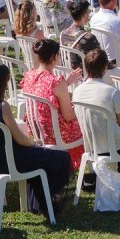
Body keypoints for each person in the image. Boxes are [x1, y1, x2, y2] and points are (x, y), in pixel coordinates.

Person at [0, 62, 71, 217]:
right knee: (63, 158)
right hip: (11, 161)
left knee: (41, 165)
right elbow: (21, 139)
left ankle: (41, 205)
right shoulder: (1, 106)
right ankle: (50, 196)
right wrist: (34, 143)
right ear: (0, 83)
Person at [70, 47, 120, 177]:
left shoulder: (77, 91)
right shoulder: (112, 91)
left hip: (91, 146)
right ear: (105, 68)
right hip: (115, 147)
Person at [19, 37, 83, 165]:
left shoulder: (29, 76)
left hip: (37, 130)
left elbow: (46, 90)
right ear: (54, 57)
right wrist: (80, 108)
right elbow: (69, 116)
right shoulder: (56, 82)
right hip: (56, 135)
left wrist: (67, 83)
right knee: (89, 123)